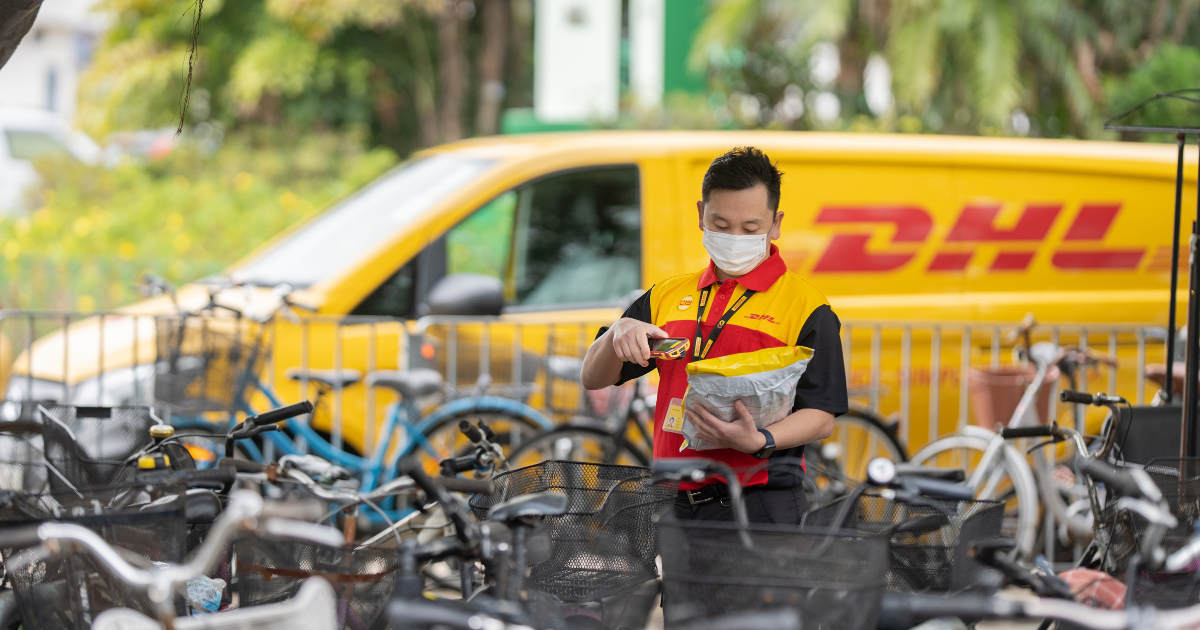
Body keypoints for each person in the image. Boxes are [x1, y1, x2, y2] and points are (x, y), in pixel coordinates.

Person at [580, 146, 848, 525]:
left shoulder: (807, 307)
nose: (735, 237)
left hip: (760, 508)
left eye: (751, 228)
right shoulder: (666, 296)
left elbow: (821, 415)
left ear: (776, 224)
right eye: (721, 225)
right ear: (701, 215)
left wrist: (761, 441)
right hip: (676, 507)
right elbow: (593, 377)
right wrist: (616, 334)